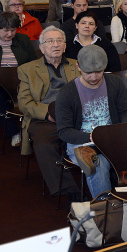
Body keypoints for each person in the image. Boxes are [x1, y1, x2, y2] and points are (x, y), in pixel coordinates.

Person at [55, 45, 127, 199]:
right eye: (88, 73)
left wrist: (119, 131)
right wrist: (91, 137)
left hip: (112, 139)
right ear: (78, 67)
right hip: (82, 143)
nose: (94, 77)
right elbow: (64, 131)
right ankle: (105, 209)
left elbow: (126, 112)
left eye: (98, 72)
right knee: (99, 165)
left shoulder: (115, 83)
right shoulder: (67, 93)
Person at [18, 26, 81, 200]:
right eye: (50, 41)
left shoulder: (77, 65)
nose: (55, 44)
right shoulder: (27, 70)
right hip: (44, 118)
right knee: (45, 145)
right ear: (41, 47)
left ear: (65, 46)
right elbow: (24, 103)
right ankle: (70, 191)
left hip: (74, 116)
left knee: (100, 136)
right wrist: (47, 114)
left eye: (59, 40)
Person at [0, 11, 38, 146]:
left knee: (35, 91)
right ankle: (14, 133)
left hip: (20, 79)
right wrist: (0, 73)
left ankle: (33, 130)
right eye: (6, 31)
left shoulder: (23, 40)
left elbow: (33, 62)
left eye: (13, 30)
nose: (10, 34)